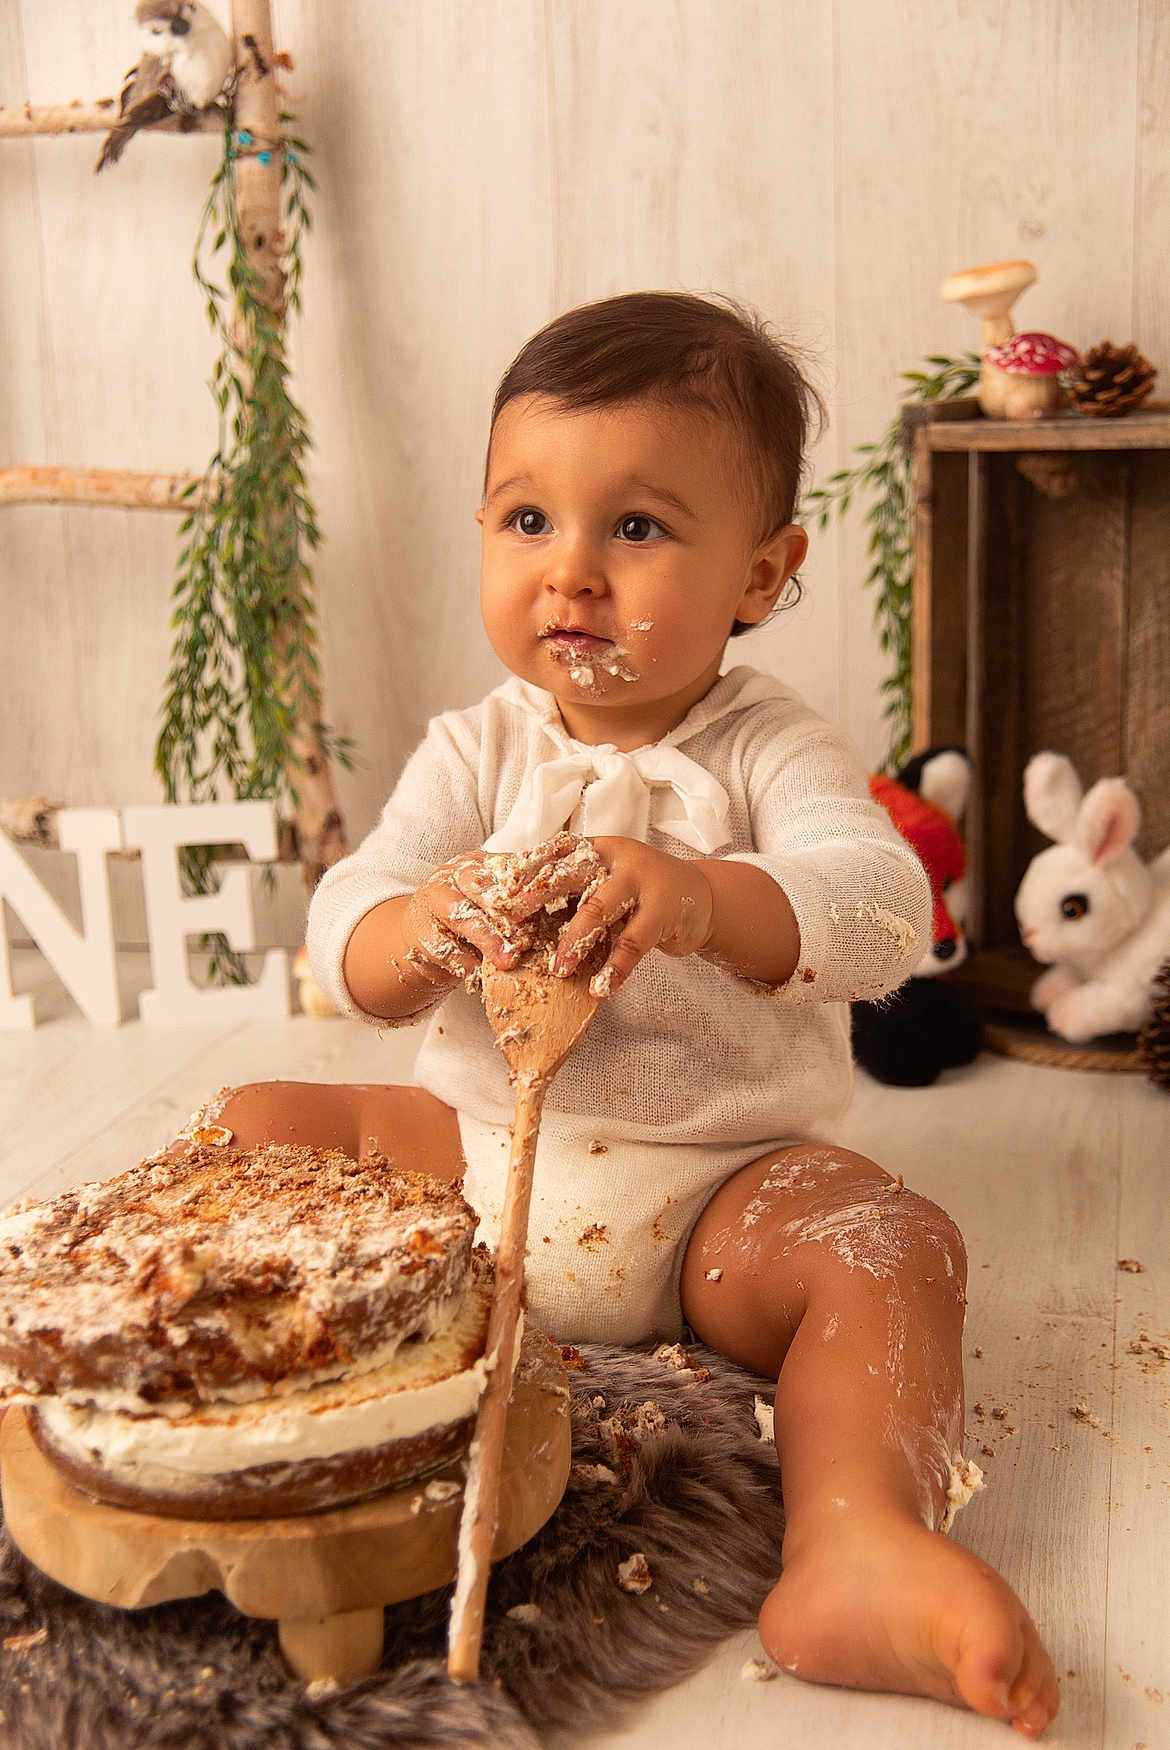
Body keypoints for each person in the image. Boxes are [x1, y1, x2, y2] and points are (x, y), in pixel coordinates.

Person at [210, 293, 1059, 1735]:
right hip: (472, 1174)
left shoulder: (768, 747)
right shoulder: (474, 750)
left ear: (761, 571)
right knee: (258, 1128)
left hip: (712, 1204)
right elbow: (346, 923)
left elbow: (877, 912)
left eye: (639, 528)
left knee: (885, 1242)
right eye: (526, 520)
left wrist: (702, 898)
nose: (571, 575)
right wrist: (417, 930)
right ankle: (201, 1417)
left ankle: (853, 1536)